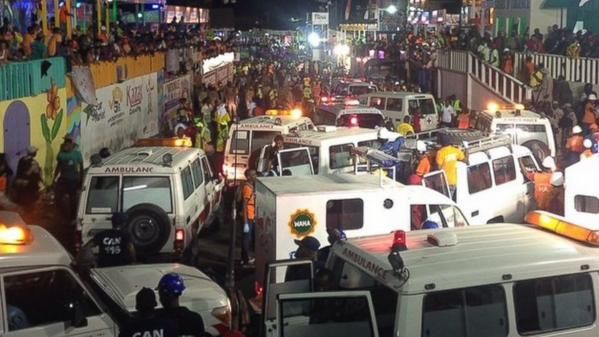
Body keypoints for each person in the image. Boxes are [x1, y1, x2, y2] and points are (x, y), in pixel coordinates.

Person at [54, 135, 84, 219]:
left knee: (73, 198)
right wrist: (55, 177)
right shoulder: (61, 154)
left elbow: (81, 167)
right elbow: (58, 166)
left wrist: (81, 179)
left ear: (71, 144)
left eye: (67, 142)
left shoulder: (77, 154)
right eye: (65, 142)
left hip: (73, 179)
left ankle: (72, 216)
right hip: (64, 178)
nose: (65, 144)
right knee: (58, 197)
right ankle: (63, 215)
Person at [241, 169, 256, 265]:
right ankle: (245, 259)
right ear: (248, 177)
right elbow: (244, 204)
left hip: (252, 216)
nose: (255, 176)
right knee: (247, 239)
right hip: (248, 217)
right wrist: (246, 222)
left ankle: (246, 258)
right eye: (253, 175)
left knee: (249, 238)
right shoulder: (247, 188)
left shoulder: (252, 187)